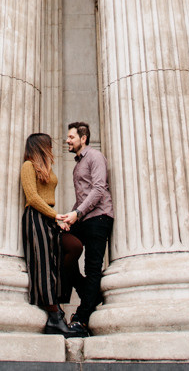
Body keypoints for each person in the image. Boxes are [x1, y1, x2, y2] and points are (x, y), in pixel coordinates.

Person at [57, 121, 114, 336]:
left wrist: (76, 214)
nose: (67, 140)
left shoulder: (95, 157)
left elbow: (99, 189)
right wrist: (69, 217)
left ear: (83, 138)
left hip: (99, 218)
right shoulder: (77, 164)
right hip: (83, 218)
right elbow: (83, 197)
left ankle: (81, 319)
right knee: (61, 246)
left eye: (71, 137)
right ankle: (88, 292)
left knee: (92, 268)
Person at [20, 132, 78, 337]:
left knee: (73, 247)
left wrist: (54, 218)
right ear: (40, 146)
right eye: (48, 145)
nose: (52, 148)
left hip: (49, 217)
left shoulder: (46, 168)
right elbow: (33, 197)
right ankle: (54, 316)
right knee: (44, 264)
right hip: (36, 217)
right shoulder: (28, 166)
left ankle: (61, 300)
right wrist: (56, 216)